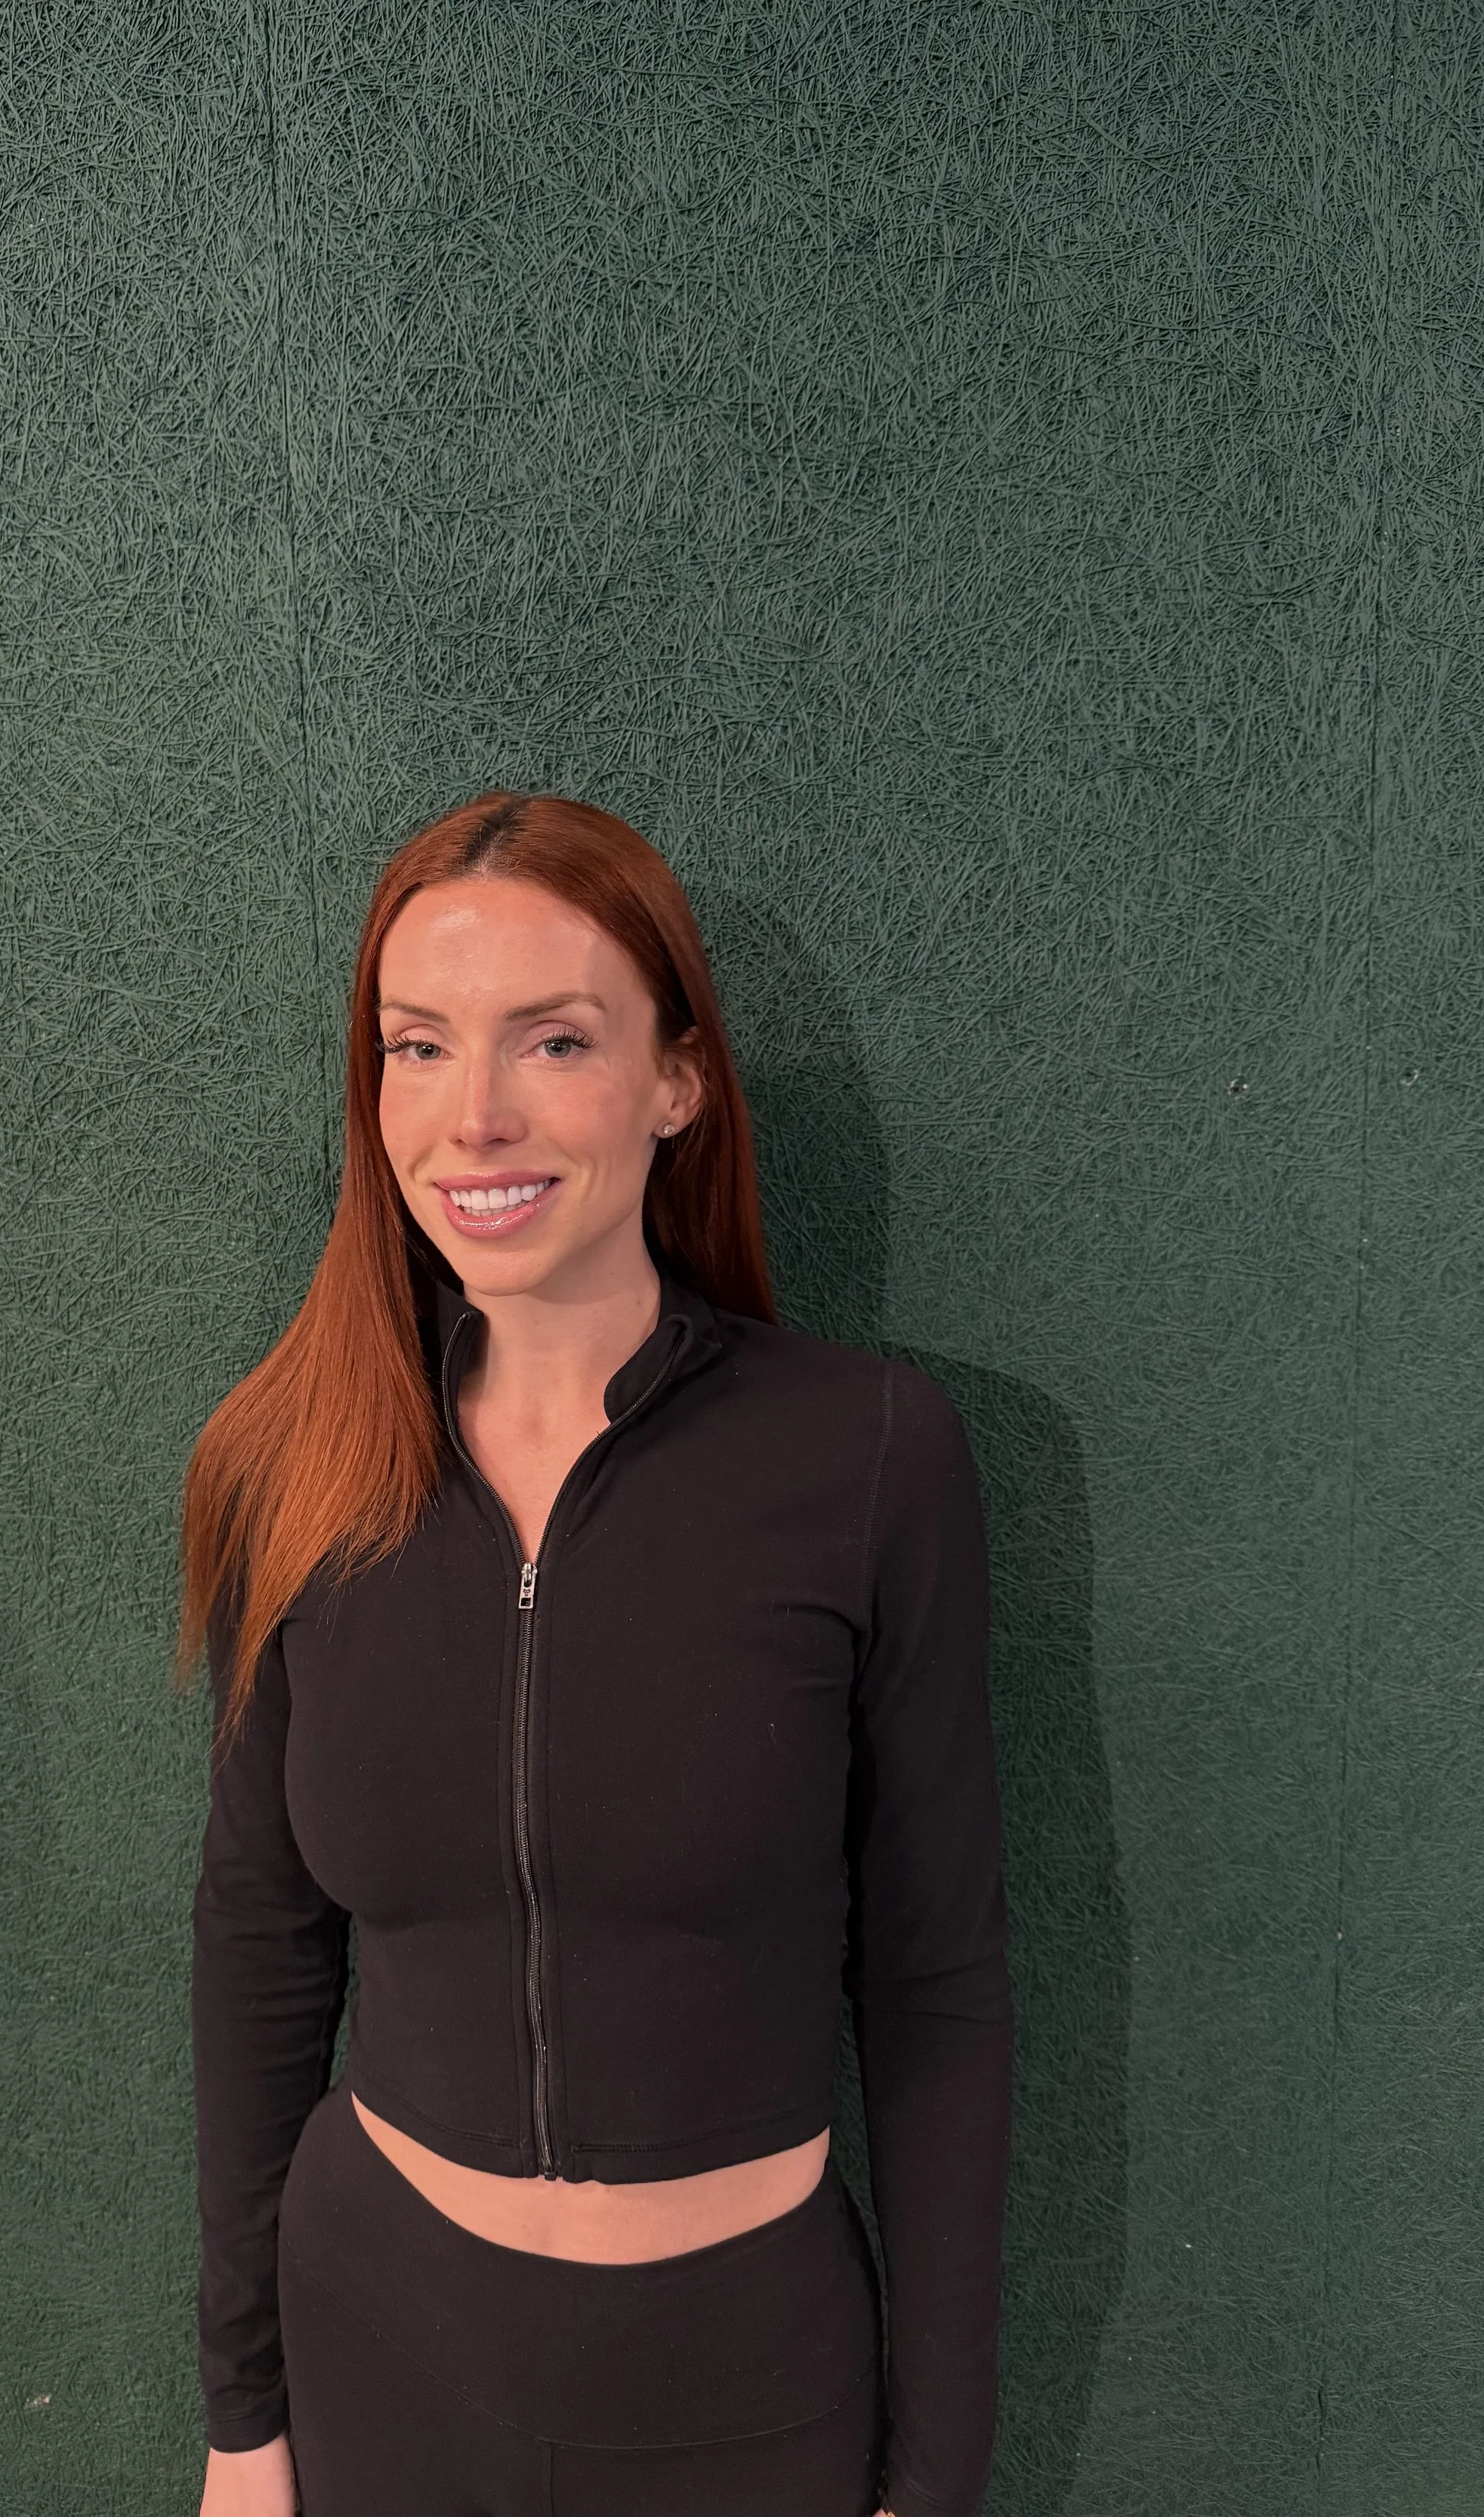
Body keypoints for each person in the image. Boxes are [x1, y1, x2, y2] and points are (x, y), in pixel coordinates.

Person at [177, 791, 1014, 2517]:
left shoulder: (864, 1458)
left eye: (552, 1040)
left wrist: (929, 2485)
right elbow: (260, 1958)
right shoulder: (294, 1465)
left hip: (744, 2387)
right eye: (418, 1045)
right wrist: (243, 2431)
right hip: (377, 2365)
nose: (470, 1113)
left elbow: (935, 1991)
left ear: (674, 1081)